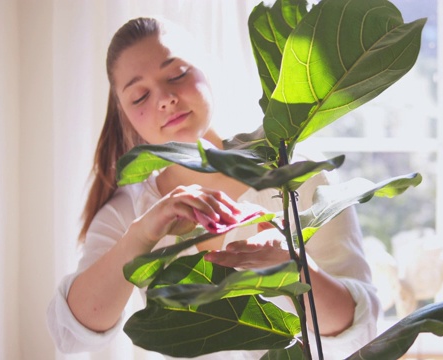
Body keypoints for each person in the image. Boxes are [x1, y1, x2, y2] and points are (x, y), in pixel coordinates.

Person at [47, 17, 380, 359]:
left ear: (205, 70)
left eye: (176, 74)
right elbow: (73, 336)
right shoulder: (128, 208)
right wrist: (141, 235)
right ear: (124, 114)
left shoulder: (296, 173)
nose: (164, 98)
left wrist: (295, 266)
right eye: (140, 95)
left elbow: (360, 332)